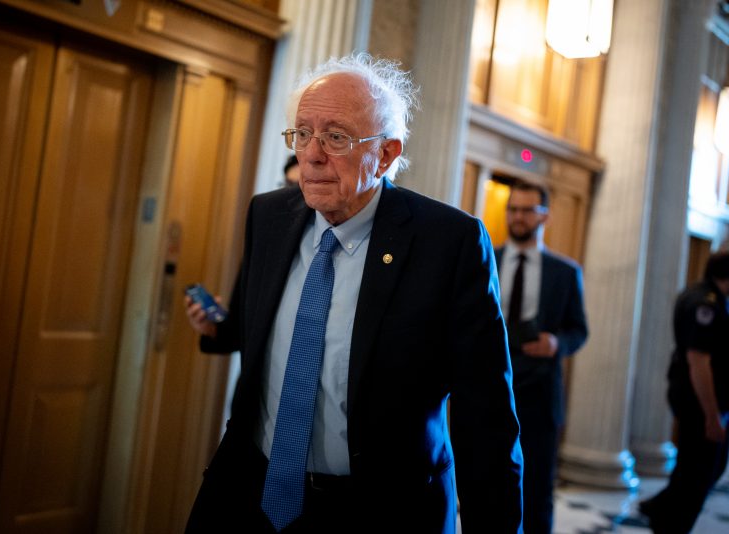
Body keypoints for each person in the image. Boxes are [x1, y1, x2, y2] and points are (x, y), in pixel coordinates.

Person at [183, 53, 523, 533]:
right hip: (247, 493)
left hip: (379, 511)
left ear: (385, 154)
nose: (313, 154)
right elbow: (256, 329)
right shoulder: (268, 216)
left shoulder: (448, 243)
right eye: (303, 134)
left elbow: (485, 419)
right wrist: (219, 328)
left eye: (336, 137)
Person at [494, 181, 588, 534]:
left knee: (536, 490)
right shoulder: (487, 255)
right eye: (512, 209)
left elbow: (579, 330)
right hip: (491, 386)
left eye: (526, 210)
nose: (517, 217)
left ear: (544, 215)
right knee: (486, 482)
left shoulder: (565, 272)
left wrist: (555, 344)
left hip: (540, 393)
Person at [638, 250, 729, 534]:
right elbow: (699, 363)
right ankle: (669, 523)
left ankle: (659, 509)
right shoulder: (707, 304)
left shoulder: (700, 292)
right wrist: (712, 417)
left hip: (694, 398)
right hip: (699, 401)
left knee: (696, 466)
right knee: (700, 473)